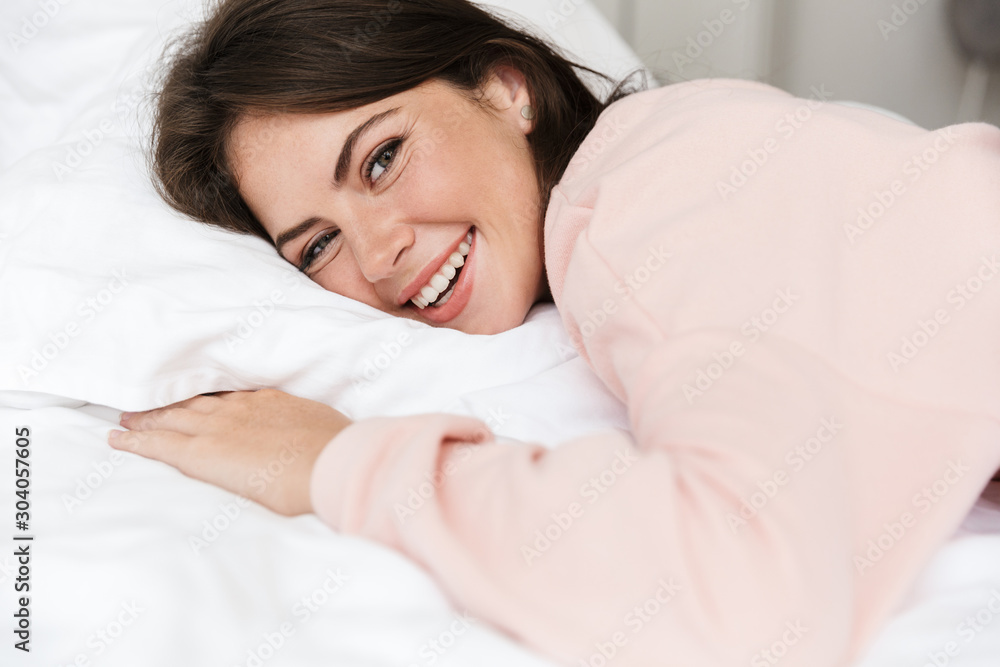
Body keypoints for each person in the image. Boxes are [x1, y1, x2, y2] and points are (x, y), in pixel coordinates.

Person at [110, 0, 1000, 664]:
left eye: (382, 158)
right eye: (318, 246)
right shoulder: (682, 156)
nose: (377, 256)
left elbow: (745, 599)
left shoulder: (642, 201)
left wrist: (339, 462)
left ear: (507, 90)